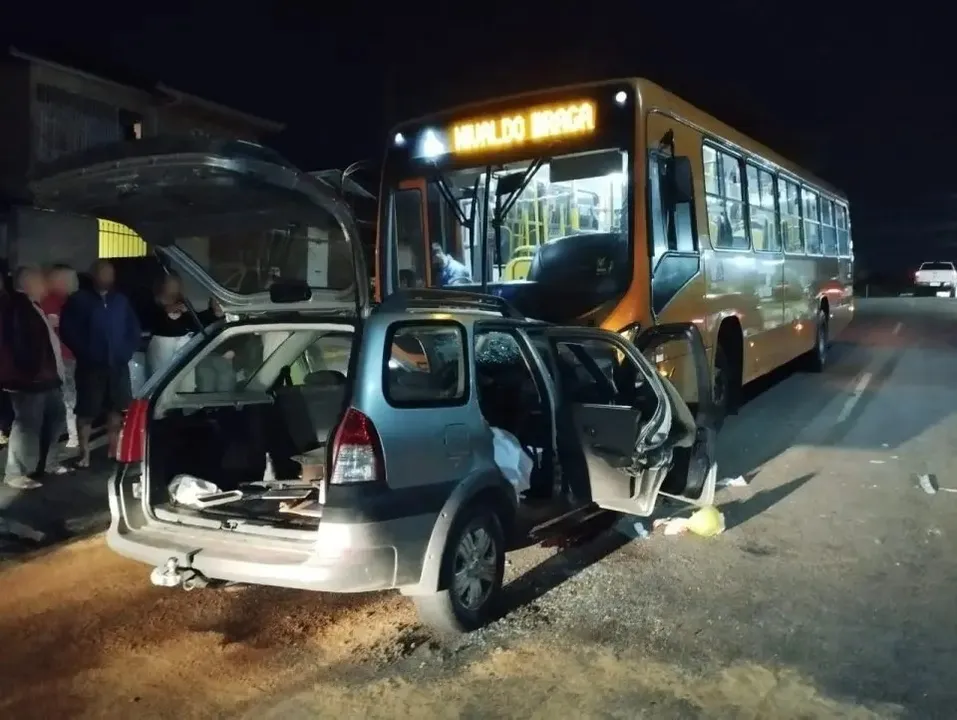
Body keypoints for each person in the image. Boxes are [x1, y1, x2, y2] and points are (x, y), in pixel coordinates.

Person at [60, 260, 141, 467]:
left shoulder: (121, 301)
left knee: (117, 409)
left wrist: (126, 351)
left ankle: (114, 450)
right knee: (86, 410)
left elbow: (133, 329)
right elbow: (68, 331)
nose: (107, 277)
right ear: (93, 275)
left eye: (110, 273)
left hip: (118, 365)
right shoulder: (79, 300)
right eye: (103, 273)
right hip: (91, 367)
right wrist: (87, 353)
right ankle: (84, 454)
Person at [0, 266, 70, 489]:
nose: (45, 285)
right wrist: (30, 373)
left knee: (54, 419)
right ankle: (15, 473)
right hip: (31, 381)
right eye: (41, 280)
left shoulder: (31, 306)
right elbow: (20, 345)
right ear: (29, 283)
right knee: (27, 426)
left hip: (45, 378)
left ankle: (47, 463)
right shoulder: (18, 307)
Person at [145, 272, 224, 378]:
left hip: (183, 345)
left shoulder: (183, 302)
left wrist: (212, 313)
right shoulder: (152, 302)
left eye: (176, 283)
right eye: (171, 283)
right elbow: (151, 322)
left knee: (186, 379)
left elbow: (195, 322)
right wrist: (167, 312)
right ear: (162, 285)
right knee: (162, 378)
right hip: (162, 346)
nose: (175, 287)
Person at [39, 264, 80, 448]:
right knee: (67, 397)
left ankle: (72, 434)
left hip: (66, 356)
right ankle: (72, 434)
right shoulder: (52, 302)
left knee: (68, 396)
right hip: (61, 356)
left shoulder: (66, 301)